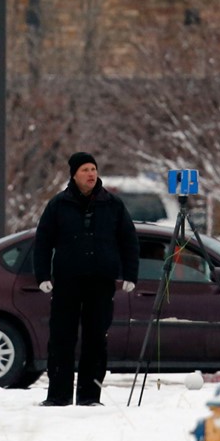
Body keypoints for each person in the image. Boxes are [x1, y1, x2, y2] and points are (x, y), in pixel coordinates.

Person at [33, 152, 139, 406]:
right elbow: (43, 242)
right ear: (73, 174)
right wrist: (42, 275)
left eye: (94, 169)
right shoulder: (58, 204)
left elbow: (129, 241)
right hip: (67, 281)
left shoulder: (113, 204)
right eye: (85, 170)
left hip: (101, 282)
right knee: (61, 339)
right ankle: (58, 396)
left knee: (96, 339)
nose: (91, 174)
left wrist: (130, 274)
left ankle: (90, 397)